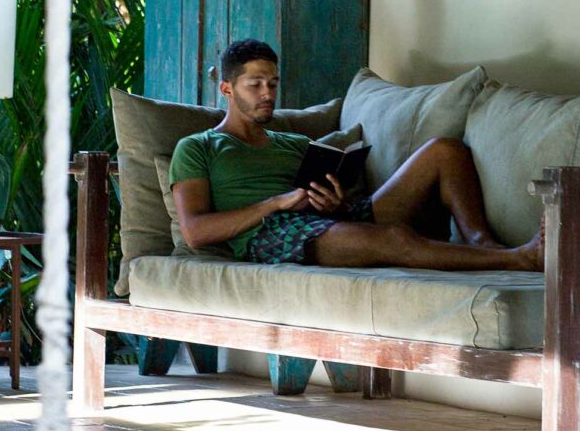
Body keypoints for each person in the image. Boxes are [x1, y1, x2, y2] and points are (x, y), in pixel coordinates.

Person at [170, 39, 543, 271]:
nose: (267, 93)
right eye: (255, 85)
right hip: (269, 235)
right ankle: (518, 258)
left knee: (444, 150)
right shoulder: (199, 147)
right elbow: (195, 232)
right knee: (395, 237)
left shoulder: (294, 144)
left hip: (325, 221)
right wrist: (275, 204)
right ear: (227, 88)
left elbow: (331, 205)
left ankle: (482, 242)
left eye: (273, 83)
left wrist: (335, 203)